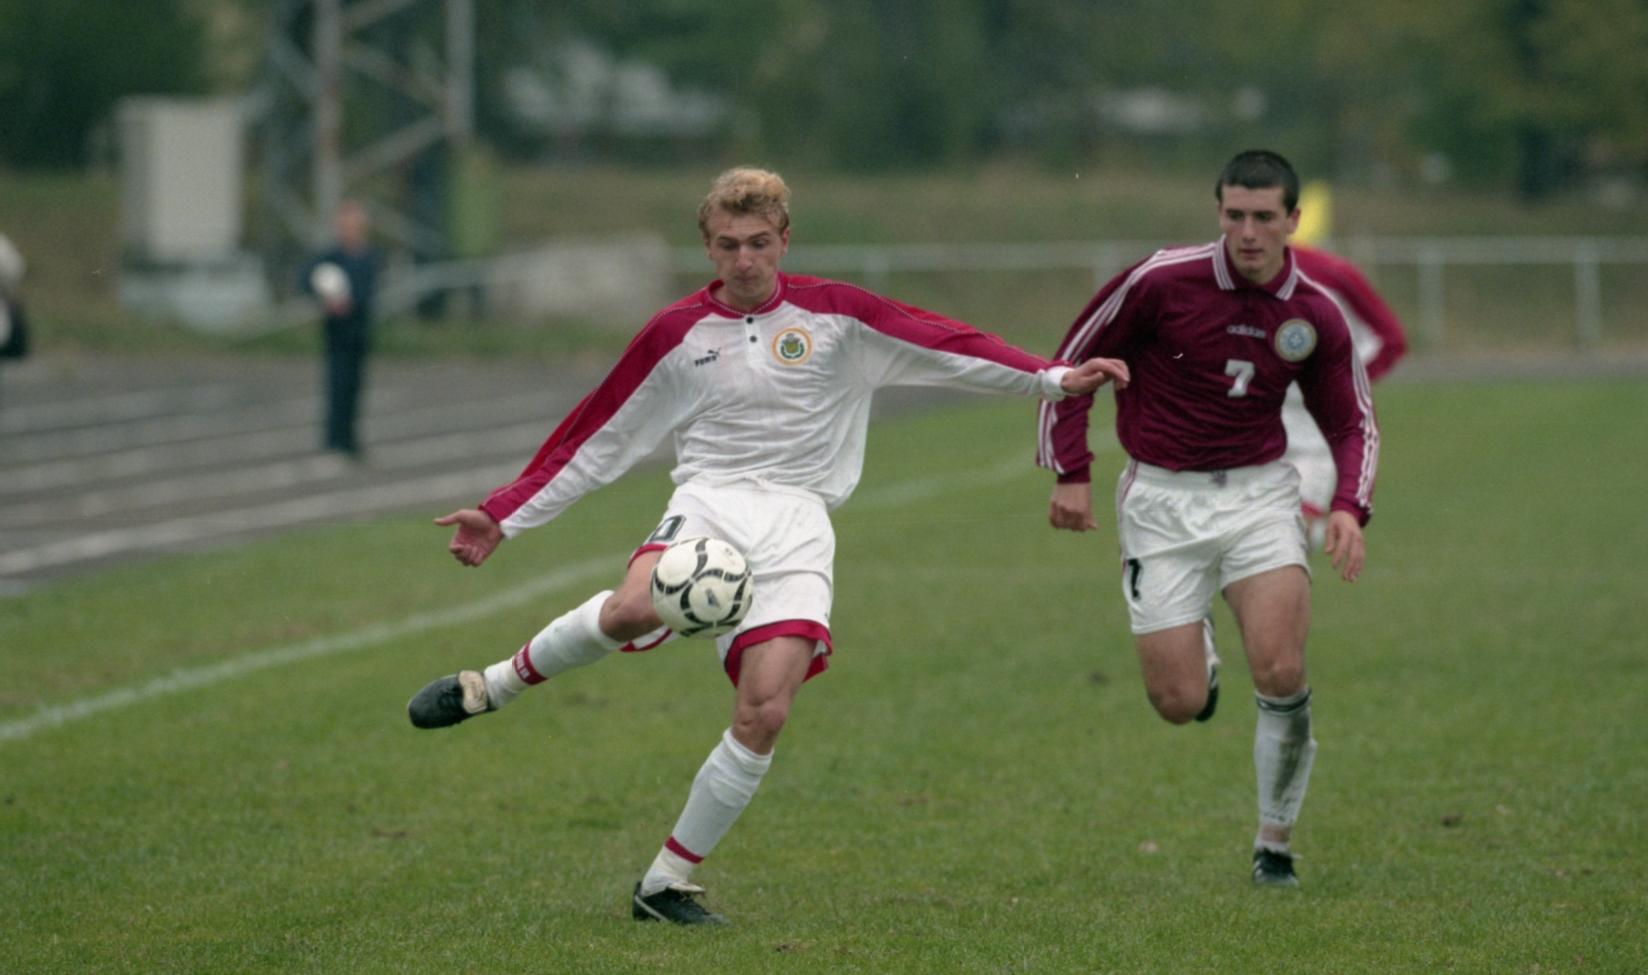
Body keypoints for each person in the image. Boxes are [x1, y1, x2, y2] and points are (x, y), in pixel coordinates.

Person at [406, 167, 1129, 925]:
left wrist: (1054, 378)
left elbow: (950, 345)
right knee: (628, 611)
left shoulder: (841, 314)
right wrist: (504, 513)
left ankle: (664, 883)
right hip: (709, 502)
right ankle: (493, 685)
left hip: (798, 522)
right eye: (728, 245)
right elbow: (597, 435)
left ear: (785, 240)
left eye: (758, 242)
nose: (745, 259)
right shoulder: (675, 334)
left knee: (765, 712)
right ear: (707, 249)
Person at [1037, 150, 1378, 888]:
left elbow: (1351, 420)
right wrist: (1071, 471)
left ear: (1293, 220)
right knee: (1178, 702)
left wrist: (1349, 505)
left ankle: (1274, 844)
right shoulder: (1161, 281)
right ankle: (1203, 653)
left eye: (1264, 218)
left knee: (1282, 669)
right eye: (1235, 215)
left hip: (1259, 497)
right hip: (1161, 502)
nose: (1248, 232)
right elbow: (1070, 365)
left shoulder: (1314, 311)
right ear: (1217, 212)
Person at [1283, 244, 1407, 546]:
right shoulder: (1219, 274)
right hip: (1249, 427)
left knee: (1290, 538)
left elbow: (1390, 339)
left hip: (1315, 434)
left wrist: (1343, 385)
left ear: (1291, 221)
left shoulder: (1334, 274)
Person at [301, 200, 380, 458]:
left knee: (355, 387)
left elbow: (369, 290)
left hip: (359, 331)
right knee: (337, 384)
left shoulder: (368, 257)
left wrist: (351, 303)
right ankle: (334, 439)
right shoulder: (329, 256)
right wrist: (325, 299)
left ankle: (349, 439)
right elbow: (306, 279)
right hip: (336, 333)